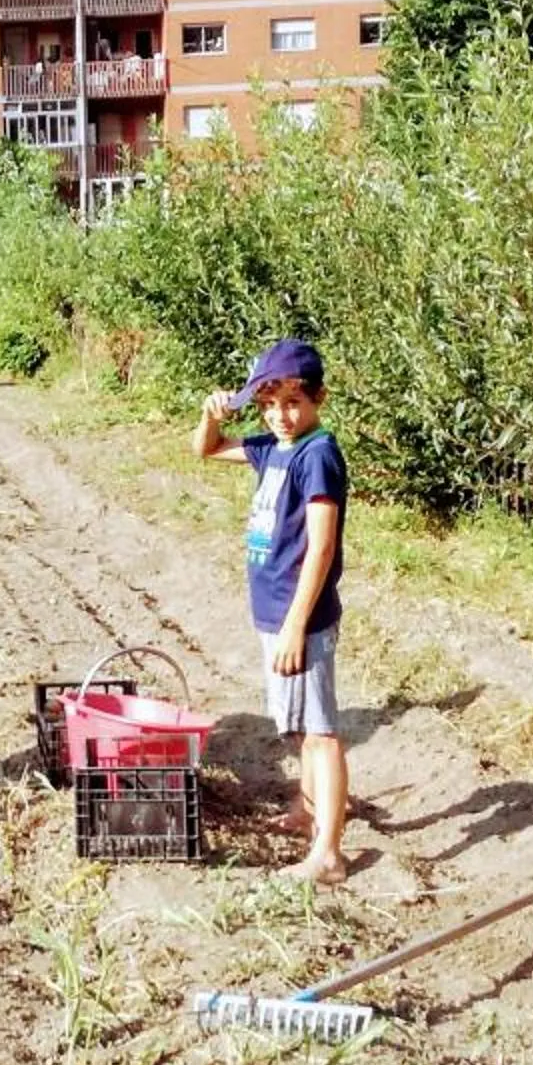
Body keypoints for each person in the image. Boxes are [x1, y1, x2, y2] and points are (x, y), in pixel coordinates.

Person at [196, 338, 352, 884]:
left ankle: (329, 854)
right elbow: (208, 450)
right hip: (275, 612)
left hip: (299, 617)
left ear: (317, 399)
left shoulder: (318, 454)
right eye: (268, 404)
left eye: (292, 402)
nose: (280, 416)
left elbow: (322, 547)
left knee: (320, 731)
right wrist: (211, 414)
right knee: (298, 729)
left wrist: (295, 625)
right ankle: (309, 810)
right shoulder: (274, 448)